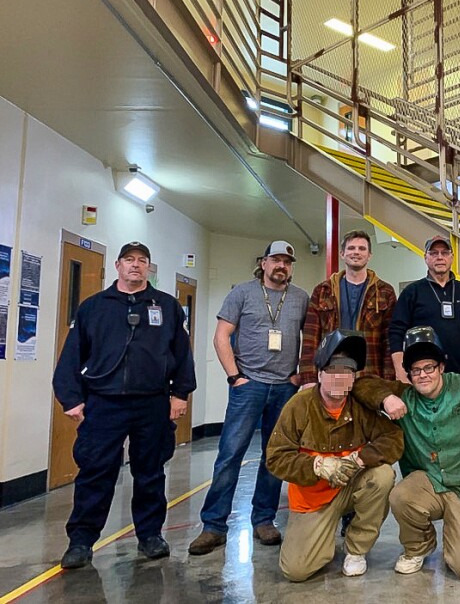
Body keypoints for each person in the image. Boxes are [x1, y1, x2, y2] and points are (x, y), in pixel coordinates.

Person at [53, 241, 195, 568]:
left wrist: (180, 394)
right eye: (129, 260)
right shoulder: (94, 307)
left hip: (152, 404)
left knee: (150, 473)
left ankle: (149, 536)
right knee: (96, 473)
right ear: (117, 266)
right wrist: (71, 398)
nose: (135, 266)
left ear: (149, 267)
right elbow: (72, 355)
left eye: (142, 261)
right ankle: (81, 541)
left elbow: (181, 354)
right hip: (104, 403)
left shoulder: (166, 306)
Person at [189, 240, 309, 555]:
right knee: (230, 455)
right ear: (263, 263)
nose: (281, 266)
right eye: (275, 260)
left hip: (285, 387)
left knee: (275, 456)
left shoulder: (300, 298)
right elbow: (221, 336)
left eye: (287, 261)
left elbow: (311, 340)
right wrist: (235, 377)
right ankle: (213, 526)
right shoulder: (241, 293)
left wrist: (302, 374)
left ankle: (264, 520)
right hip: (249, 385)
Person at [354, 326, 460, 579]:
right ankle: (419, 546)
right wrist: (386, 399)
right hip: (429, 481)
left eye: (429, 367)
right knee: (401, 496)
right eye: (416, 370)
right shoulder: (404, 395)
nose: (423, 375)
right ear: (408, 374)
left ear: (441, 366)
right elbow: (362, 384)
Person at [266, 330, 403, 581]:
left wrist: (359, 459)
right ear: (320, 375)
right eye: (333, 372)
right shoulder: (299, 406)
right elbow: (275, 457)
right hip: (313, 499)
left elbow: (393, 439)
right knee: (296, 571)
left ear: (353, 379)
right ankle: (322, 538)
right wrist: (317, 466)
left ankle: (356, 550)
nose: (340, 378)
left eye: (347, 373)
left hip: (350, 487)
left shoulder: (359, 406)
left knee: (382, 476)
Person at [299, 230, 396, 387]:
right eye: (351, 248)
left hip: (370, 377)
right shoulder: (323, 291)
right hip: (331, 373)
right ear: (342, 254)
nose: (356, 252)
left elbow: (389, 342)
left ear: (369, 255)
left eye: (362, 248)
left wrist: (388, 382)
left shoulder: (385, 292)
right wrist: (308, 379)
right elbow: (310, 339)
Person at [388, 235, 460, 379]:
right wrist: (401, 371)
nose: (439, 257)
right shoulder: (412, 292)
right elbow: (396, 332)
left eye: (445, 253)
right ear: (425, 258)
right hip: (424, 377)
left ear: (452, 258)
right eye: (433, 253)